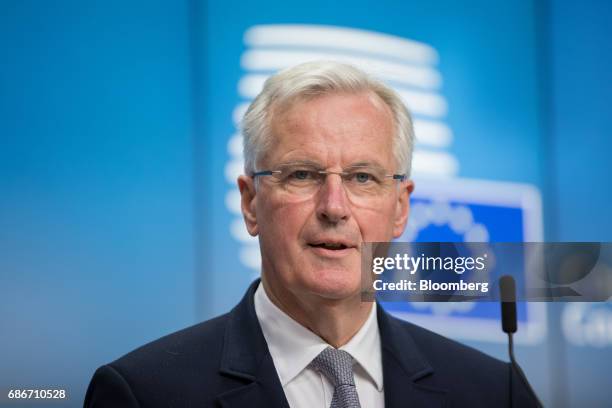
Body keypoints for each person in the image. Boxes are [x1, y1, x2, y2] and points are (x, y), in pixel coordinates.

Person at [84, 61, 539, 407]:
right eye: (302, 174)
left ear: (400, 207)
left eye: (363, 177)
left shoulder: (497, 393)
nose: (334, 207)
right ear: (250, 203)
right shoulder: (144, 394)